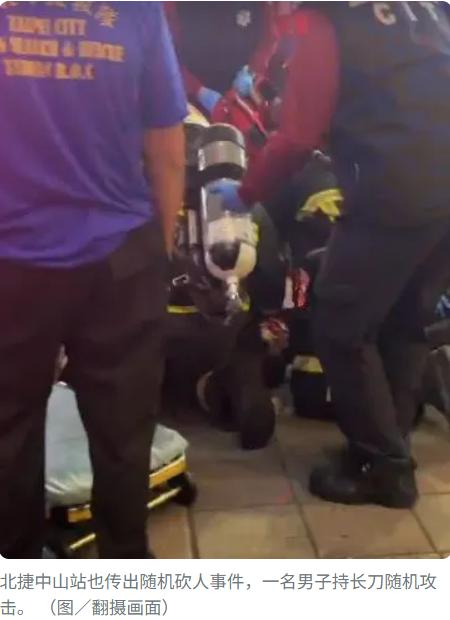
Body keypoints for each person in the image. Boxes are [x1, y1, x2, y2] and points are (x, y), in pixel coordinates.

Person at [212, 1, 450, 509]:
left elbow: (297, 137)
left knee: (341, 326)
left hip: (392, 196)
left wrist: (247, 192)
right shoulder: (420, 8)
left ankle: (384, 468)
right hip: (441, 197)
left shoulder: (326, 22)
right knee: (404, 323)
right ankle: (390, 443)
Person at [0, 2, 186, 559]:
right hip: (119, 256)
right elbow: (167, 149)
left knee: (9, 425)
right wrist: (161, 250)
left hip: (13, 260)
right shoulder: (137, 11)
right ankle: (125, 568)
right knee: (123, 432)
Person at [164, 1, 284, 116]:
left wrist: (251, 71)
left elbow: (269, 38)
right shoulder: (176, 4)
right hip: (190, 98)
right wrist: (198, 90)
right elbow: (166, 53)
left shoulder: (259, 4)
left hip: (242, 92)